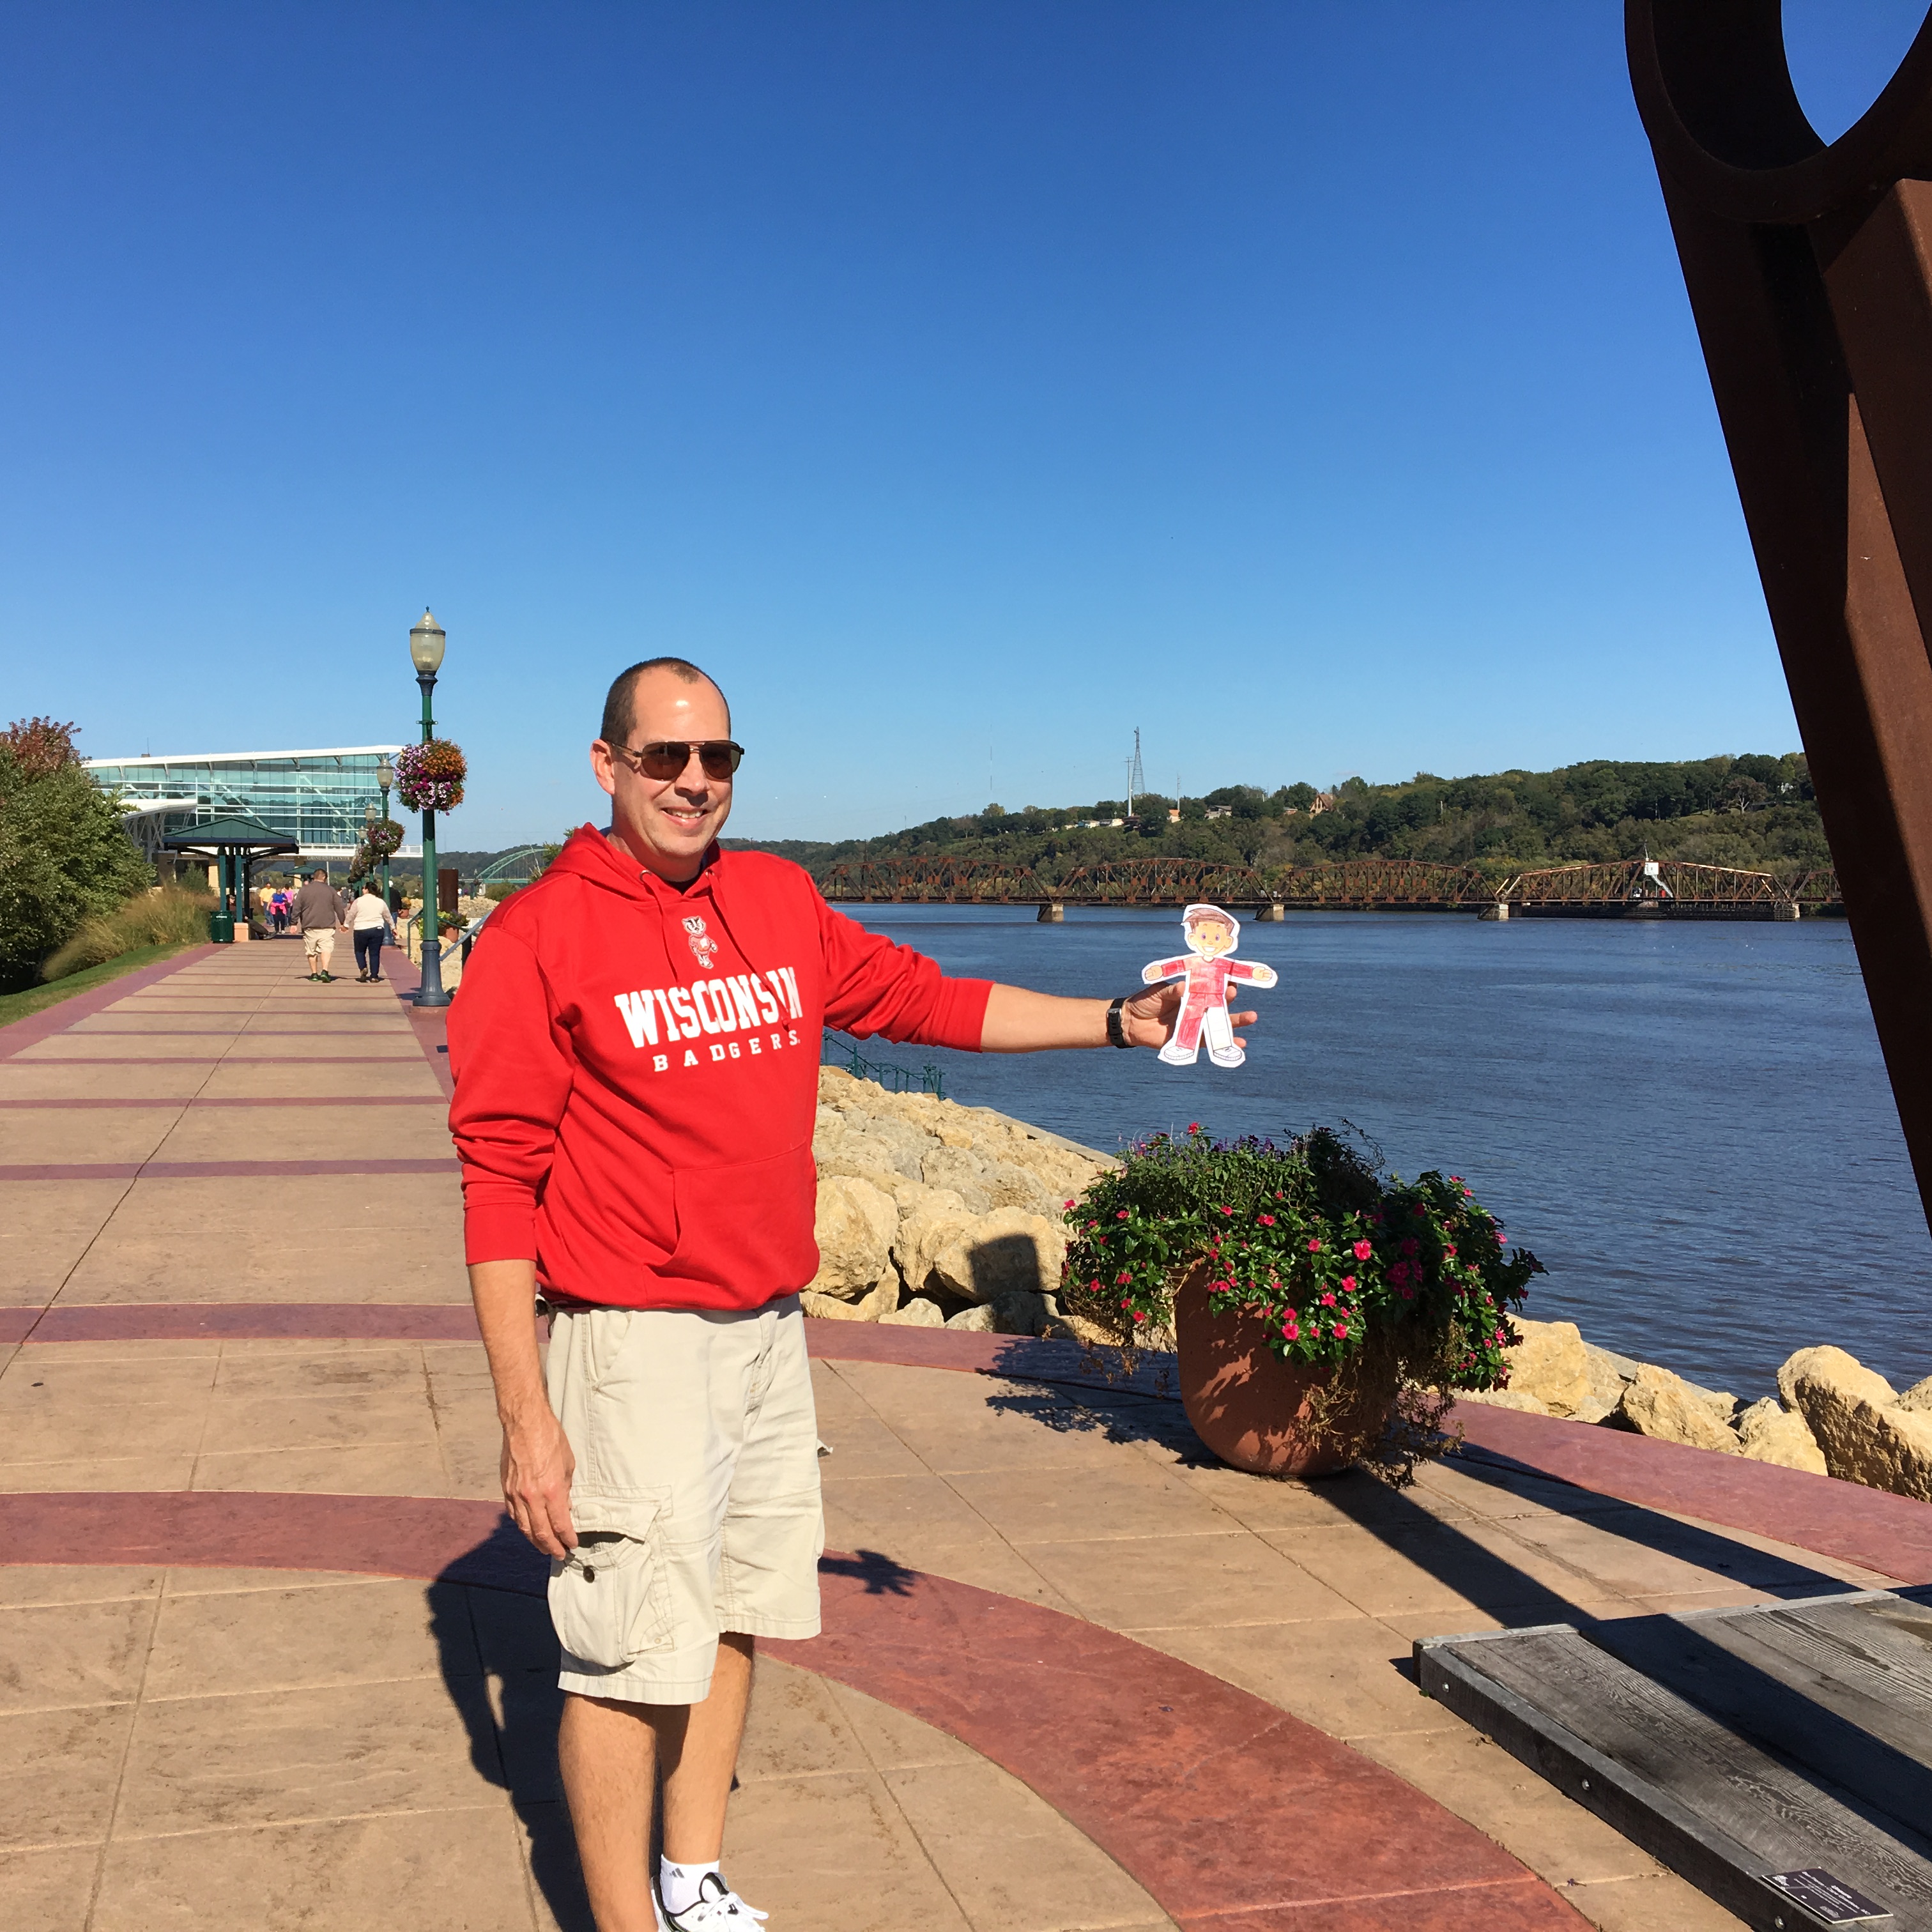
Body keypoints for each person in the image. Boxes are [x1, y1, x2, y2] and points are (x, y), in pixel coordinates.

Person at [446, 658, 1257, 1932]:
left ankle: (692, 1877)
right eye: (666, 757)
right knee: (623, 1662)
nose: (696, 781)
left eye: (719, 757)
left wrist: (1118, 1019)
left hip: (766, 1329)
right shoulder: (537, 936)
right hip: (630, 1343)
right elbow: (498, 1188)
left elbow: (928, 1000)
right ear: (607, 768)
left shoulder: (777, 898)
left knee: (733, 1610)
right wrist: (524, 1424)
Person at [291, 868, 346, 983]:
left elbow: (297, 907)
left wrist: (294, 923)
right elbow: (339, 907)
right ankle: (325, 971)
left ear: (314, 877)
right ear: (324, 877)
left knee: (311, 951)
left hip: (309, 925)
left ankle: (314, 974)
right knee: (326, 949)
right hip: (327, 925)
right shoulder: (331, 890)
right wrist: (343, 922)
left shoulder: (304, 890)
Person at [346, 880, 397, 983]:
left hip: (361, 929)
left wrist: (346, 925)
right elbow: (387, 915)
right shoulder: (380, 902)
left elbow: (351, 914)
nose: (362, 890)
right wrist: (393, 928)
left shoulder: (359, 901)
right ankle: (374, 976)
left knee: (359, 951)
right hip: (377, 929)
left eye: (363, 888)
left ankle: (363, 968)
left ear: (367, 890)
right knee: (375, 953)